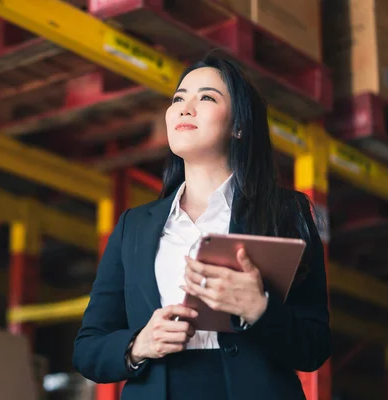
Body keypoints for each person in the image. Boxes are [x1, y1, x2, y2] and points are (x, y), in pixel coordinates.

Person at [72, 53, 331, 400]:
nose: (185, 107)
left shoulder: (286, 212)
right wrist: (138, 344)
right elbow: (88, 349)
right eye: (179, 98)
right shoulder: (132, 227)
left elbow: (314, 347)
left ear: (239, 125)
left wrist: (259, 310)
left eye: (206, 97)